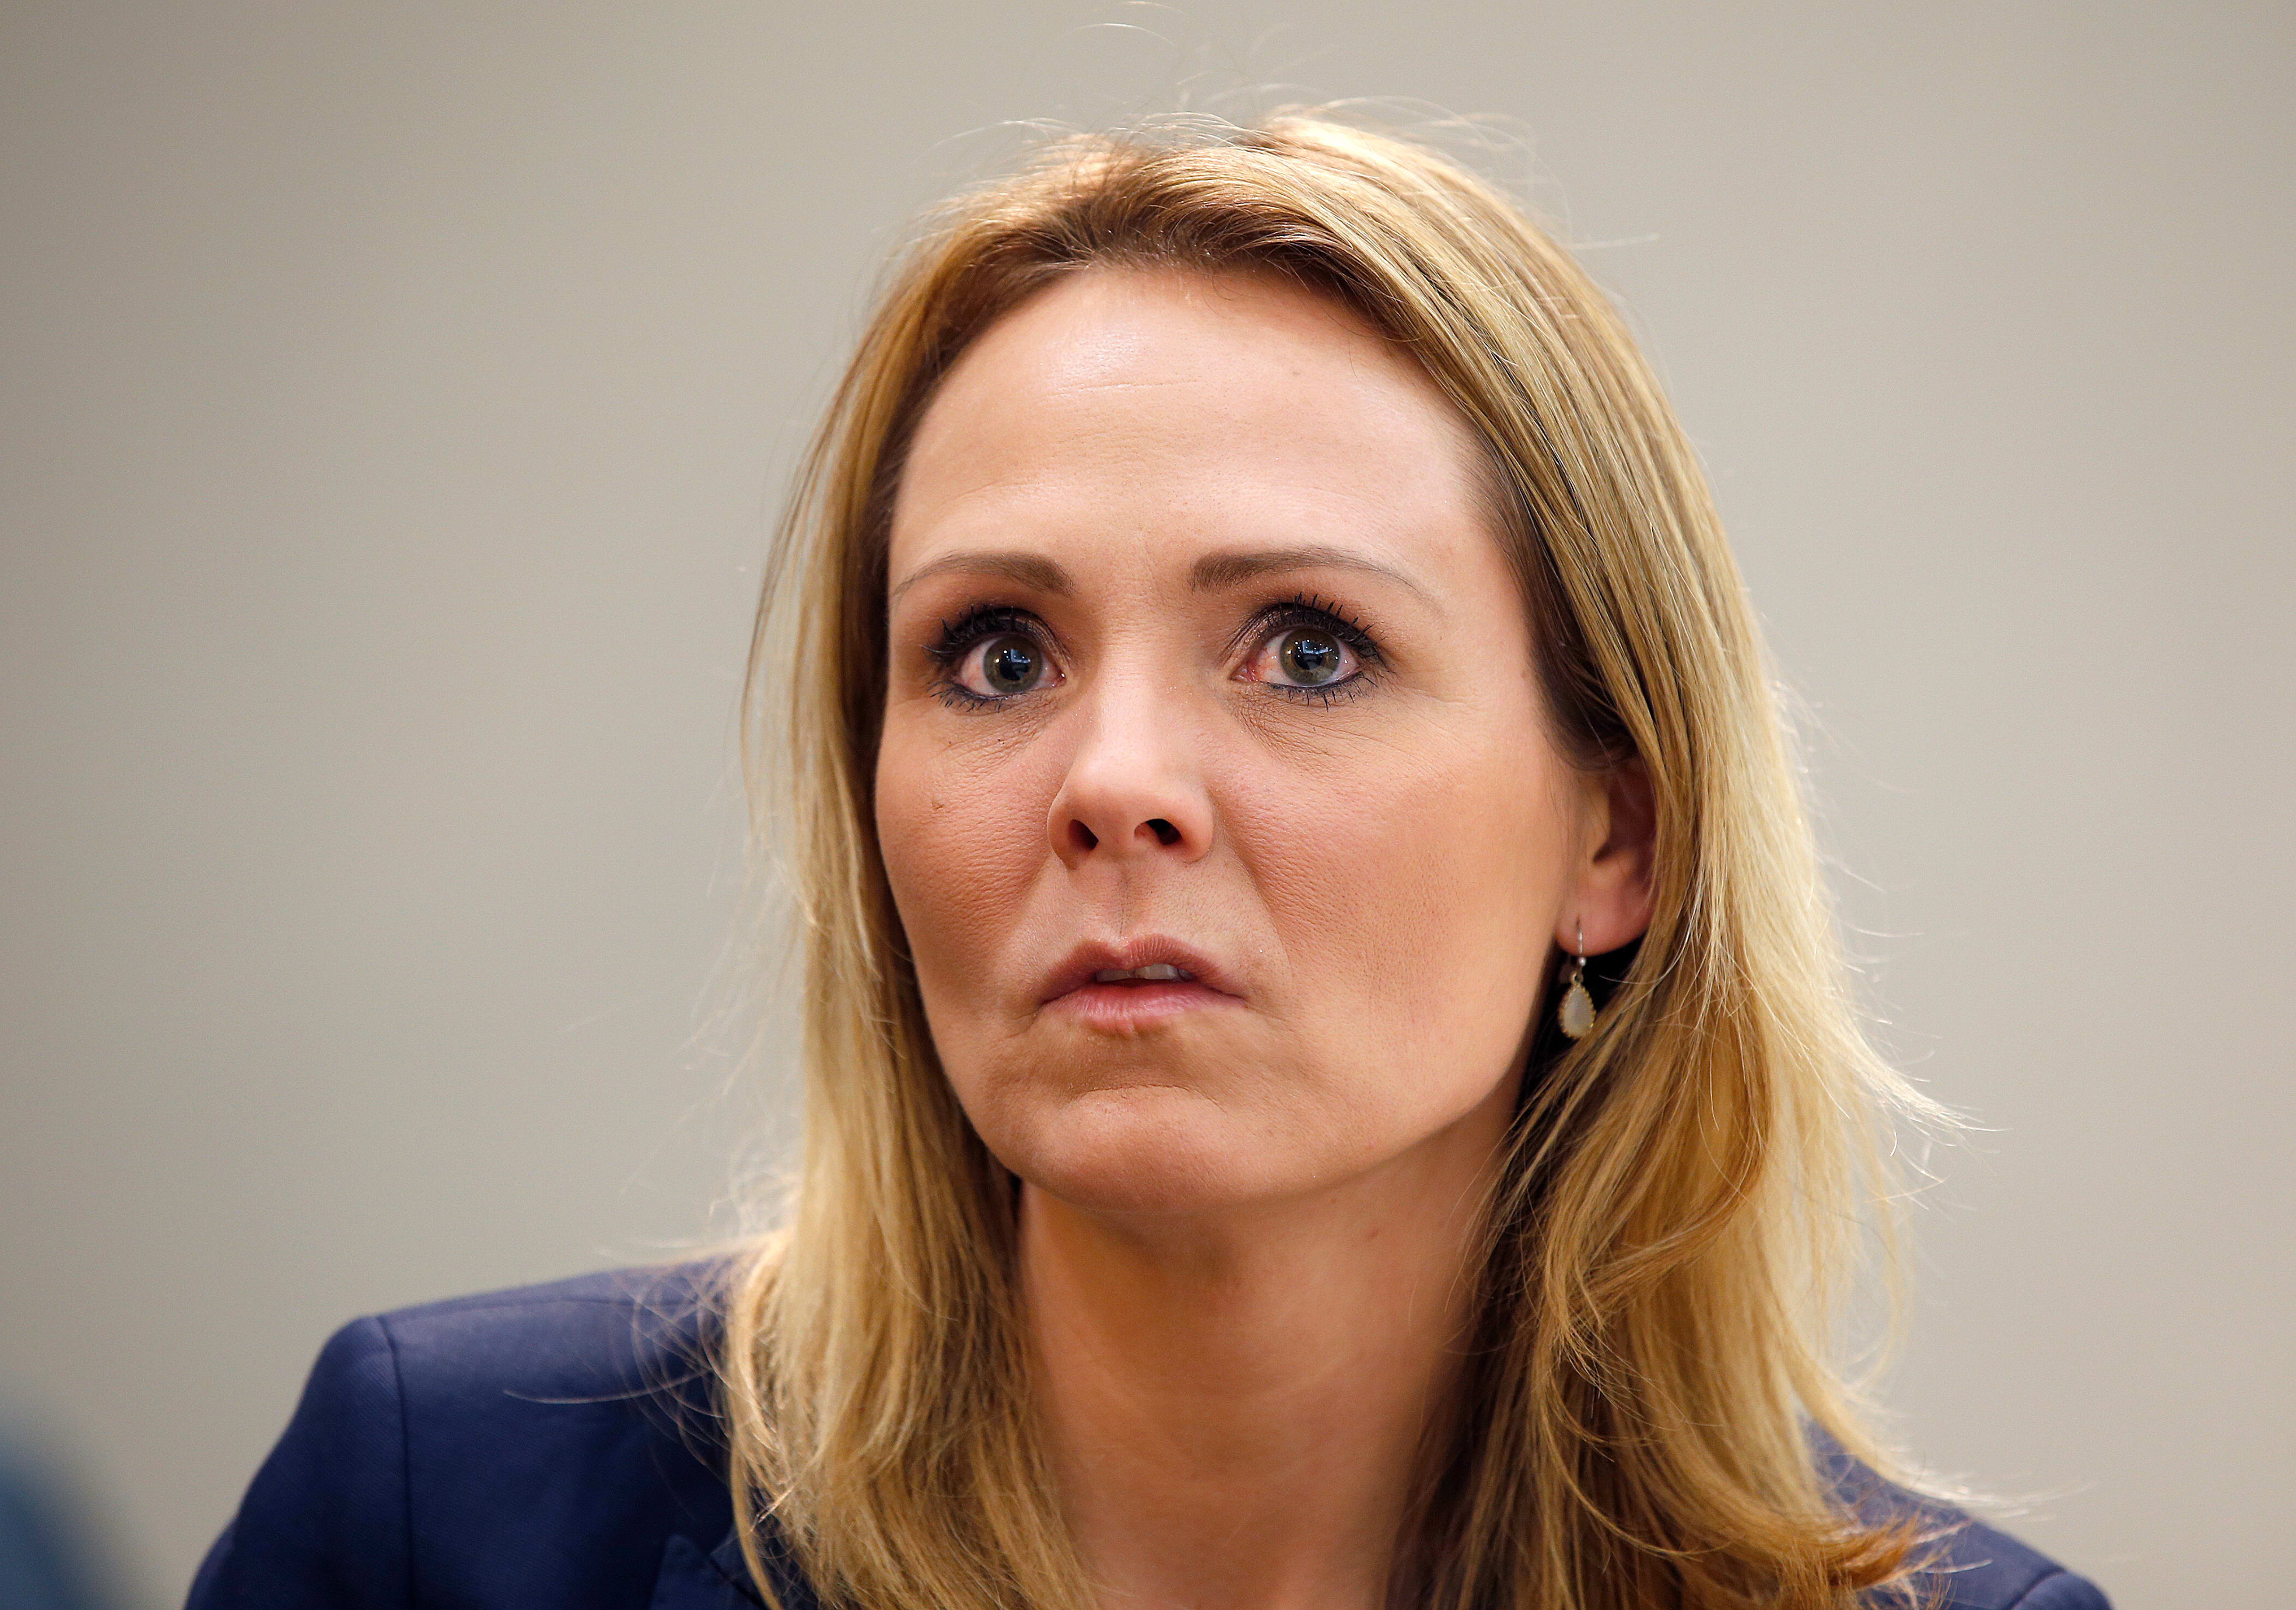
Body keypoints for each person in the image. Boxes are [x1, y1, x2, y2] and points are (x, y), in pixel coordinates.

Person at [189, 114, 2111, 1610]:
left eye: (1308, 649)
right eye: (995, 656)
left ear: (1615, 835)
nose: (1112, 782)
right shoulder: (441, 1513)